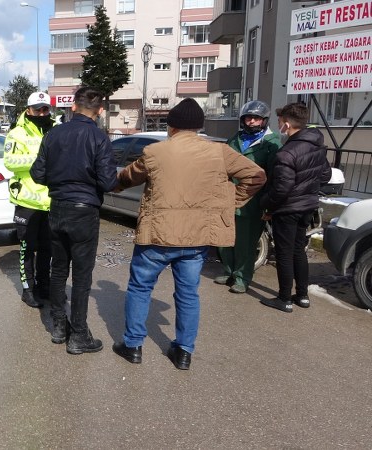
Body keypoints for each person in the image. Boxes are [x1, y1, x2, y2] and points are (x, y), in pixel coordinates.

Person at [111, 98, 266, 370]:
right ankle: (183, 352)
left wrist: (113, 185)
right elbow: (256, 176)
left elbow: (126, 178)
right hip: (196, 238)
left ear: (171, 126)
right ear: (199, 127)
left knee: (140, 288)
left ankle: (133, 345)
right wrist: (230, 201)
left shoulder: (155, 152)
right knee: (188, 294)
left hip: (157, 236)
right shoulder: (220, 152)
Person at [30, 86, 118, 355]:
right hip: (84, 211)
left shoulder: (54, 135)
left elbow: (37, 174)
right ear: (100, 110)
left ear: (73, 107)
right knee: (81, 276)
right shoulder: (99, 138)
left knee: (58, 269)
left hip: (57, 209)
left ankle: (59, 326)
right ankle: (79, 334)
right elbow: (108, 181)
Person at [259, 102, 332, 313]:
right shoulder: (317, 145)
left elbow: (281, 189)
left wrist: (266, 205)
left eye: (280, 122)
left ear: (287, 124)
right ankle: (302, 296)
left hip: (288, 209)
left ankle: (284, 298)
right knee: (298, 250)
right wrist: (306, 186)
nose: (279, 125)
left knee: (284, 253)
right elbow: (325, 175)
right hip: (308, 206)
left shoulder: (287, 153)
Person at [215, 101, 281, 294]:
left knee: (246, 242)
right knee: (226, 238)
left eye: (256, 118)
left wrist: (269, 204)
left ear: (264, 120)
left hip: (253, 201)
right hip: (229, 197)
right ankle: (228, 271)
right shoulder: (235, 139)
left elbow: (274, 175)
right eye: (248, 118)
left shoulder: (271, 142)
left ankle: (242, 278)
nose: (251, 121)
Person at [4, 91, 55, 308]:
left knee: (48, 248)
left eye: (45, 109)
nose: (42, 113)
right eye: (38, 109)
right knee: (27, 247)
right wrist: (39, 158)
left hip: (51, 201)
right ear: (28, 110)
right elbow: (10, 162)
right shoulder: (17, 133)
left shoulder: (55, 131)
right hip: (27, 201)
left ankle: (44, 286)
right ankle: (28, 289)